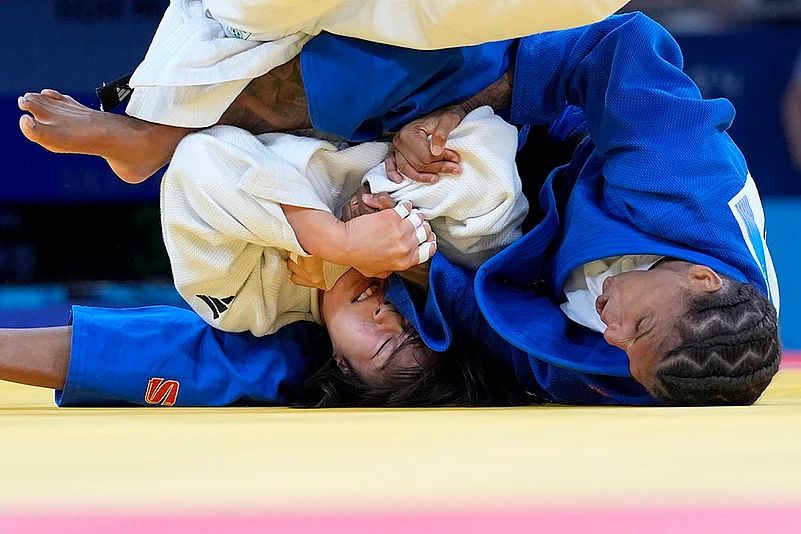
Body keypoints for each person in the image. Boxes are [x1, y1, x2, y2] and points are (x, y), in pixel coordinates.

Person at [14, 13, 781, 407]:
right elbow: (617, 46)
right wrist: (454, 111)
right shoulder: (687, 188)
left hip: (445, 268)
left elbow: (507, 346)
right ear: (703, 278)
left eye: (623, 347)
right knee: (399, 120)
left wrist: (418, 271)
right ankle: (162, 132)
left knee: (308, 364)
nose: (612, 333)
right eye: (636, 325)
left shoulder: (645, 368)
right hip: (503, 151)